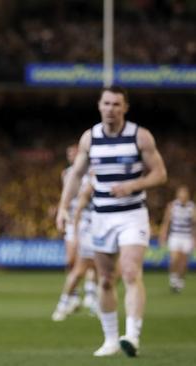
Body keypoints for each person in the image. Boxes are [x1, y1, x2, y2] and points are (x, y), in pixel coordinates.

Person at [56, 86, 167, 357]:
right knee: (105, 280)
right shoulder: (90, 138)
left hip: (132, 214)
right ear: (99, 106)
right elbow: (75, 175)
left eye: (117, 104)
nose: (111, 109)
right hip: (101, 217)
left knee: (129, 271)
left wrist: (134, 184)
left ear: (125, 108)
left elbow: (160, 174)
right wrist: (62, 207)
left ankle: (132, 335)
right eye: (106, 103)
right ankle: (110, 340)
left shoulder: (140, 136)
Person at [56, 144, 96, 314]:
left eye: (74, 153)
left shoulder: (92, 171)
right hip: (72, 220)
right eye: (69, 153)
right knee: (70, 261)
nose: (71, 156)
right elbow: (64, 195)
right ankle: (73, 296)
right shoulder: (66, 174)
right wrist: (61, 212)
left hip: (91, 220)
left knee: (90, 261)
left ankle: (90, 294)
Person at [52, 176, 98, 321]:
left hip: (104, 229)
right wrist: (77, 233)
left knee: (106, 270)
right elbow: (79, 207)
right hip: (89, 229)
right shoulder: (90, 183)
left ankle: (93, 298)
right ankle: (64, 302)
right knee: (79, 269)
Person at [159, 185, 195, 293]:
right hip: (175, 235)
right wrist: (163, 234)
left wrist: (194, 238)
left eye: (184, 194)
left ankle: (180, 280)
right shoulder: (172, 206)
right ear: (178, 195)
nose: (182, 196)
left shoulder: (192, 207)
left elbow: (194, 224)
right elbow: (166, 222)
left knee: (183, 262)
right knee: (174, 259)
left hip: (187, 237)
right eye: (181, 193)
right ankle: (173, 277)